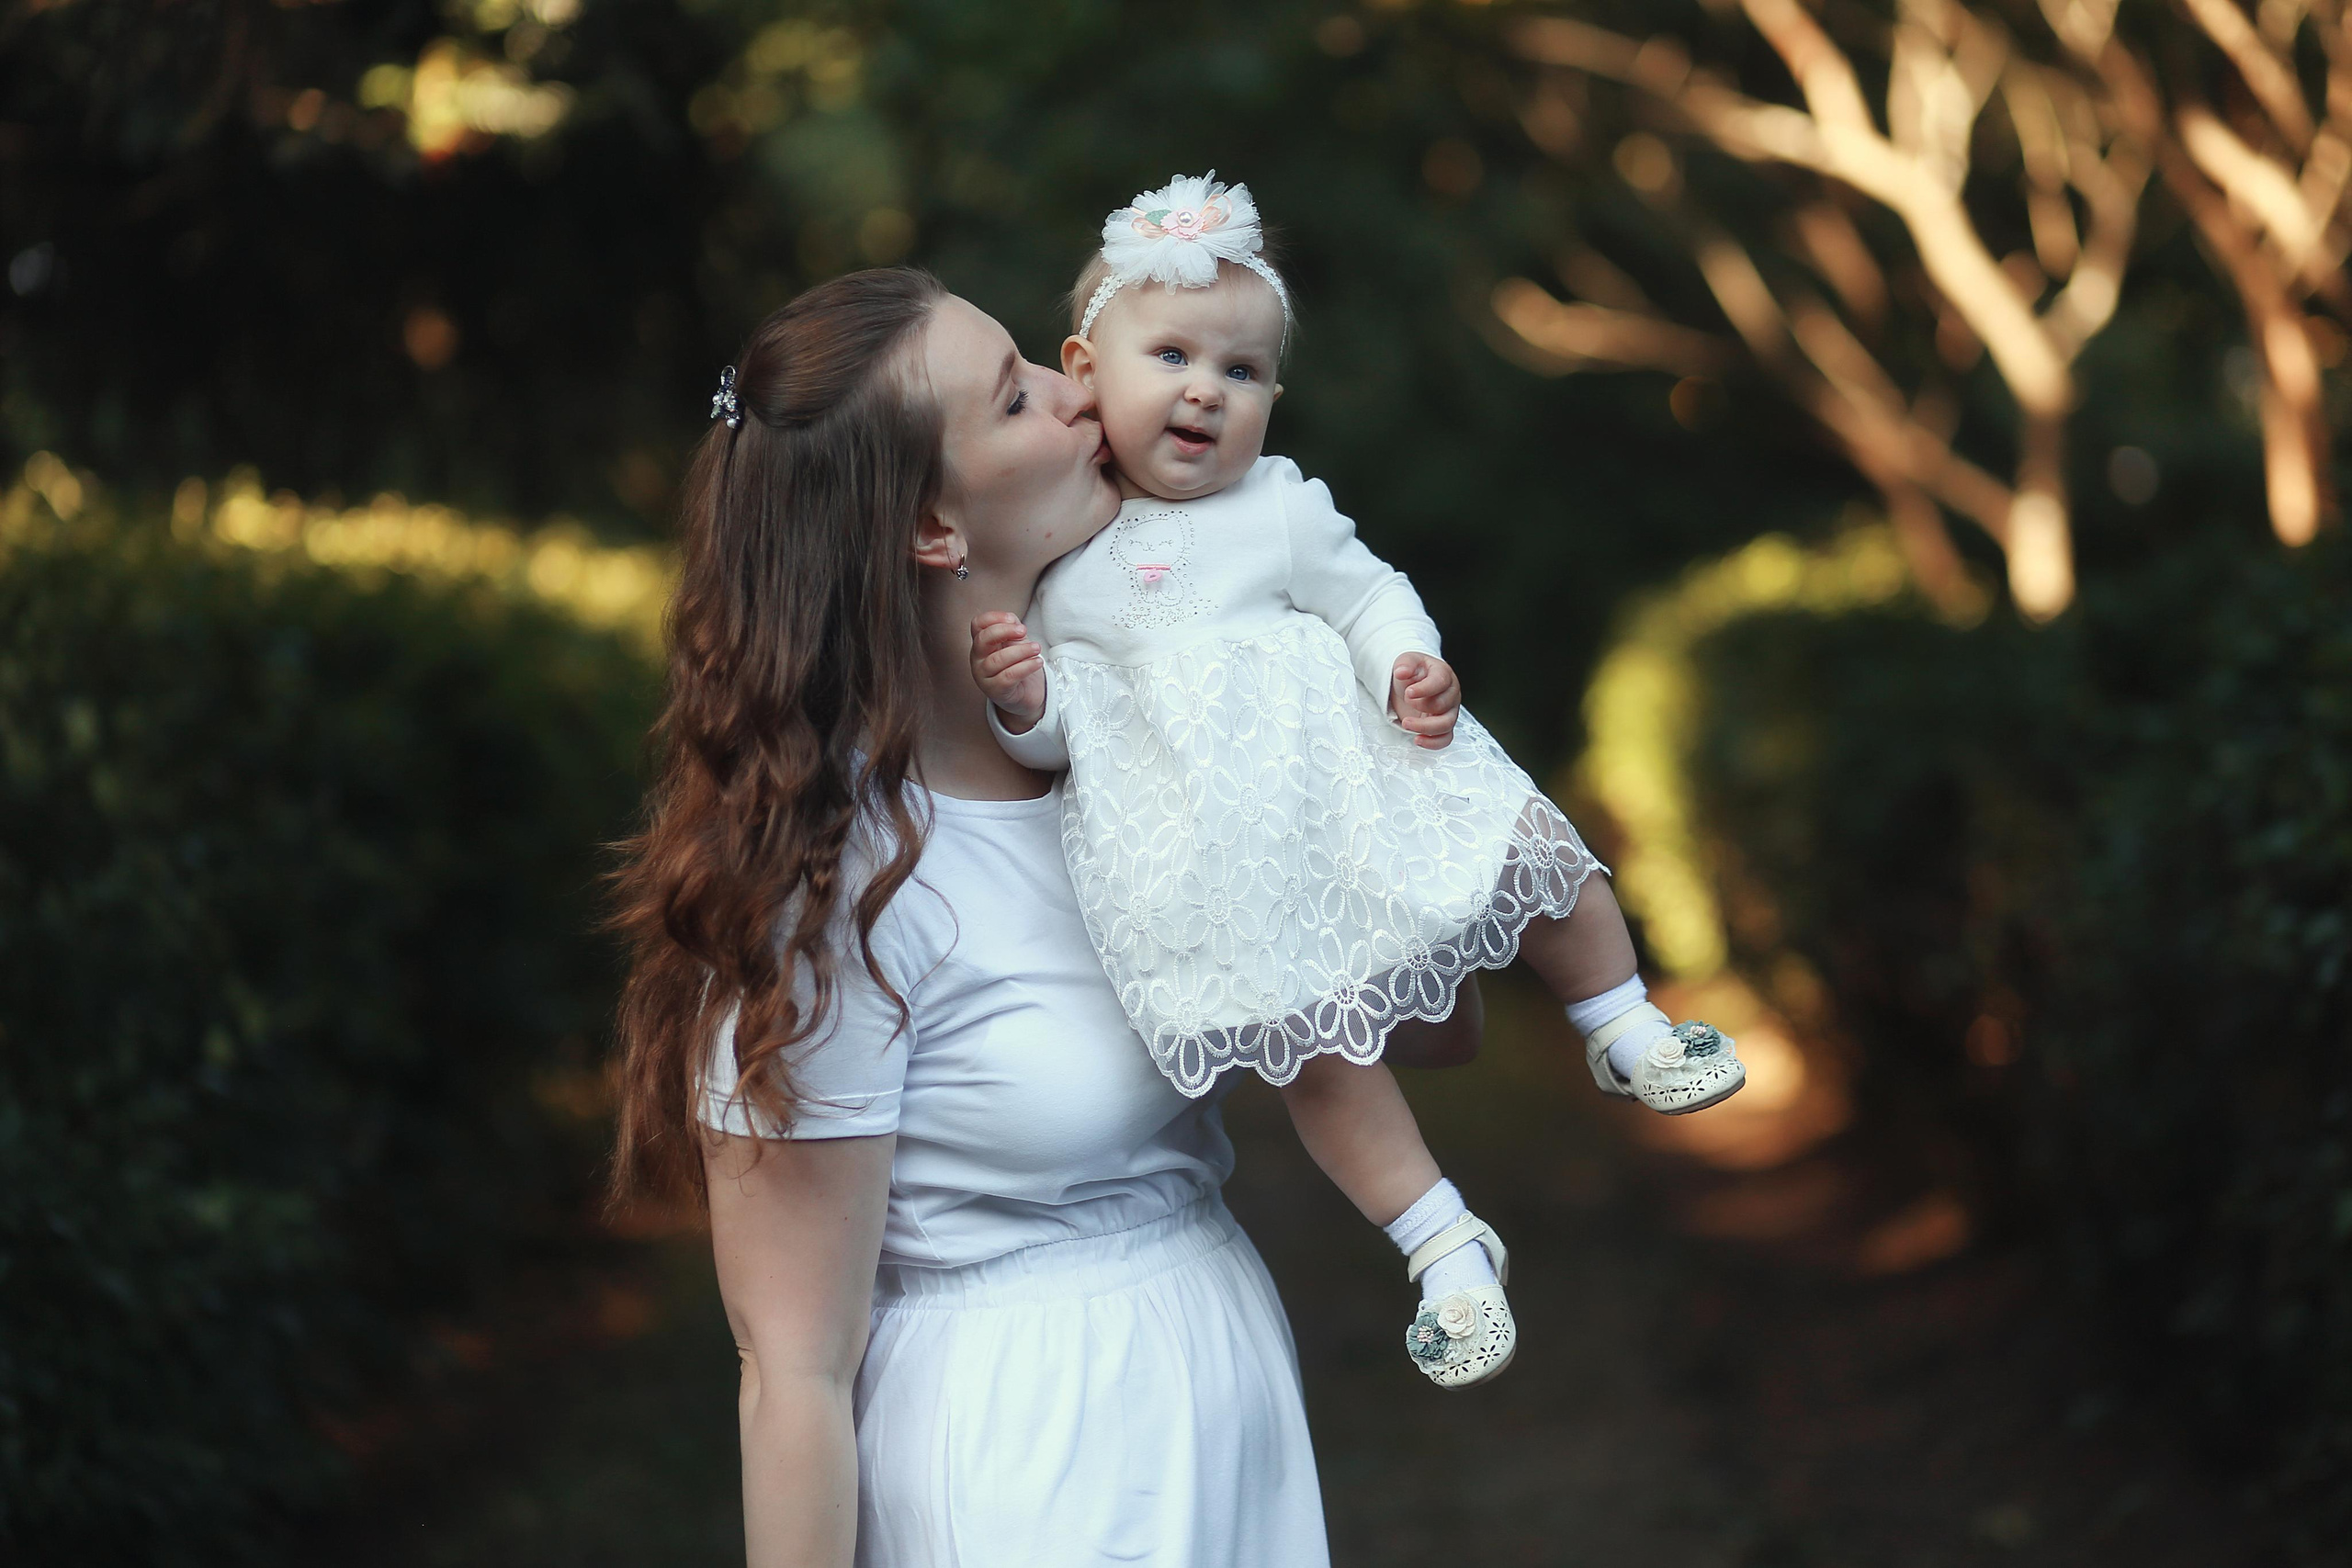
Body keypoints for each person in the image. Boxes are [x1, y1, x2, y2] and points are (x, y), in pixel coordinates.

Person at [607, 265, 1483, 1568]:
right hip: (1026, 1458)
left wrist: (1374, 768)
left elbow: (1436, 1029)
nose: (1090, 394)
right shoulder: (838, 884)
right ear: (931, 528)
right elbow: (789, 1372)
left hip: (1216, 1392)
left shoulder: (1143, 755)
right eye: (1019, 397)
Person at [967, 173, 1747, 1391]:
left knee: (1530, 846)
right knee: (1315, 1059)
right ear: (1084, 369)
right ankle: (1441, 1242)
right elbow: (1076, 737)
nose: (1204, 391)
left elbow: (1369, 591)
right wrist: (1025, 704)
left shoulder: (1278, 507)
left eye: (1241, 373)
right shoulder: (1063, 566)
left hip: (1359, 783)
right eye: (1170, 354)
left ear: (1273, 397)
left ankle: (1621, 1021)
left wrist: (1406, 662)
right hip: (1232, 860)